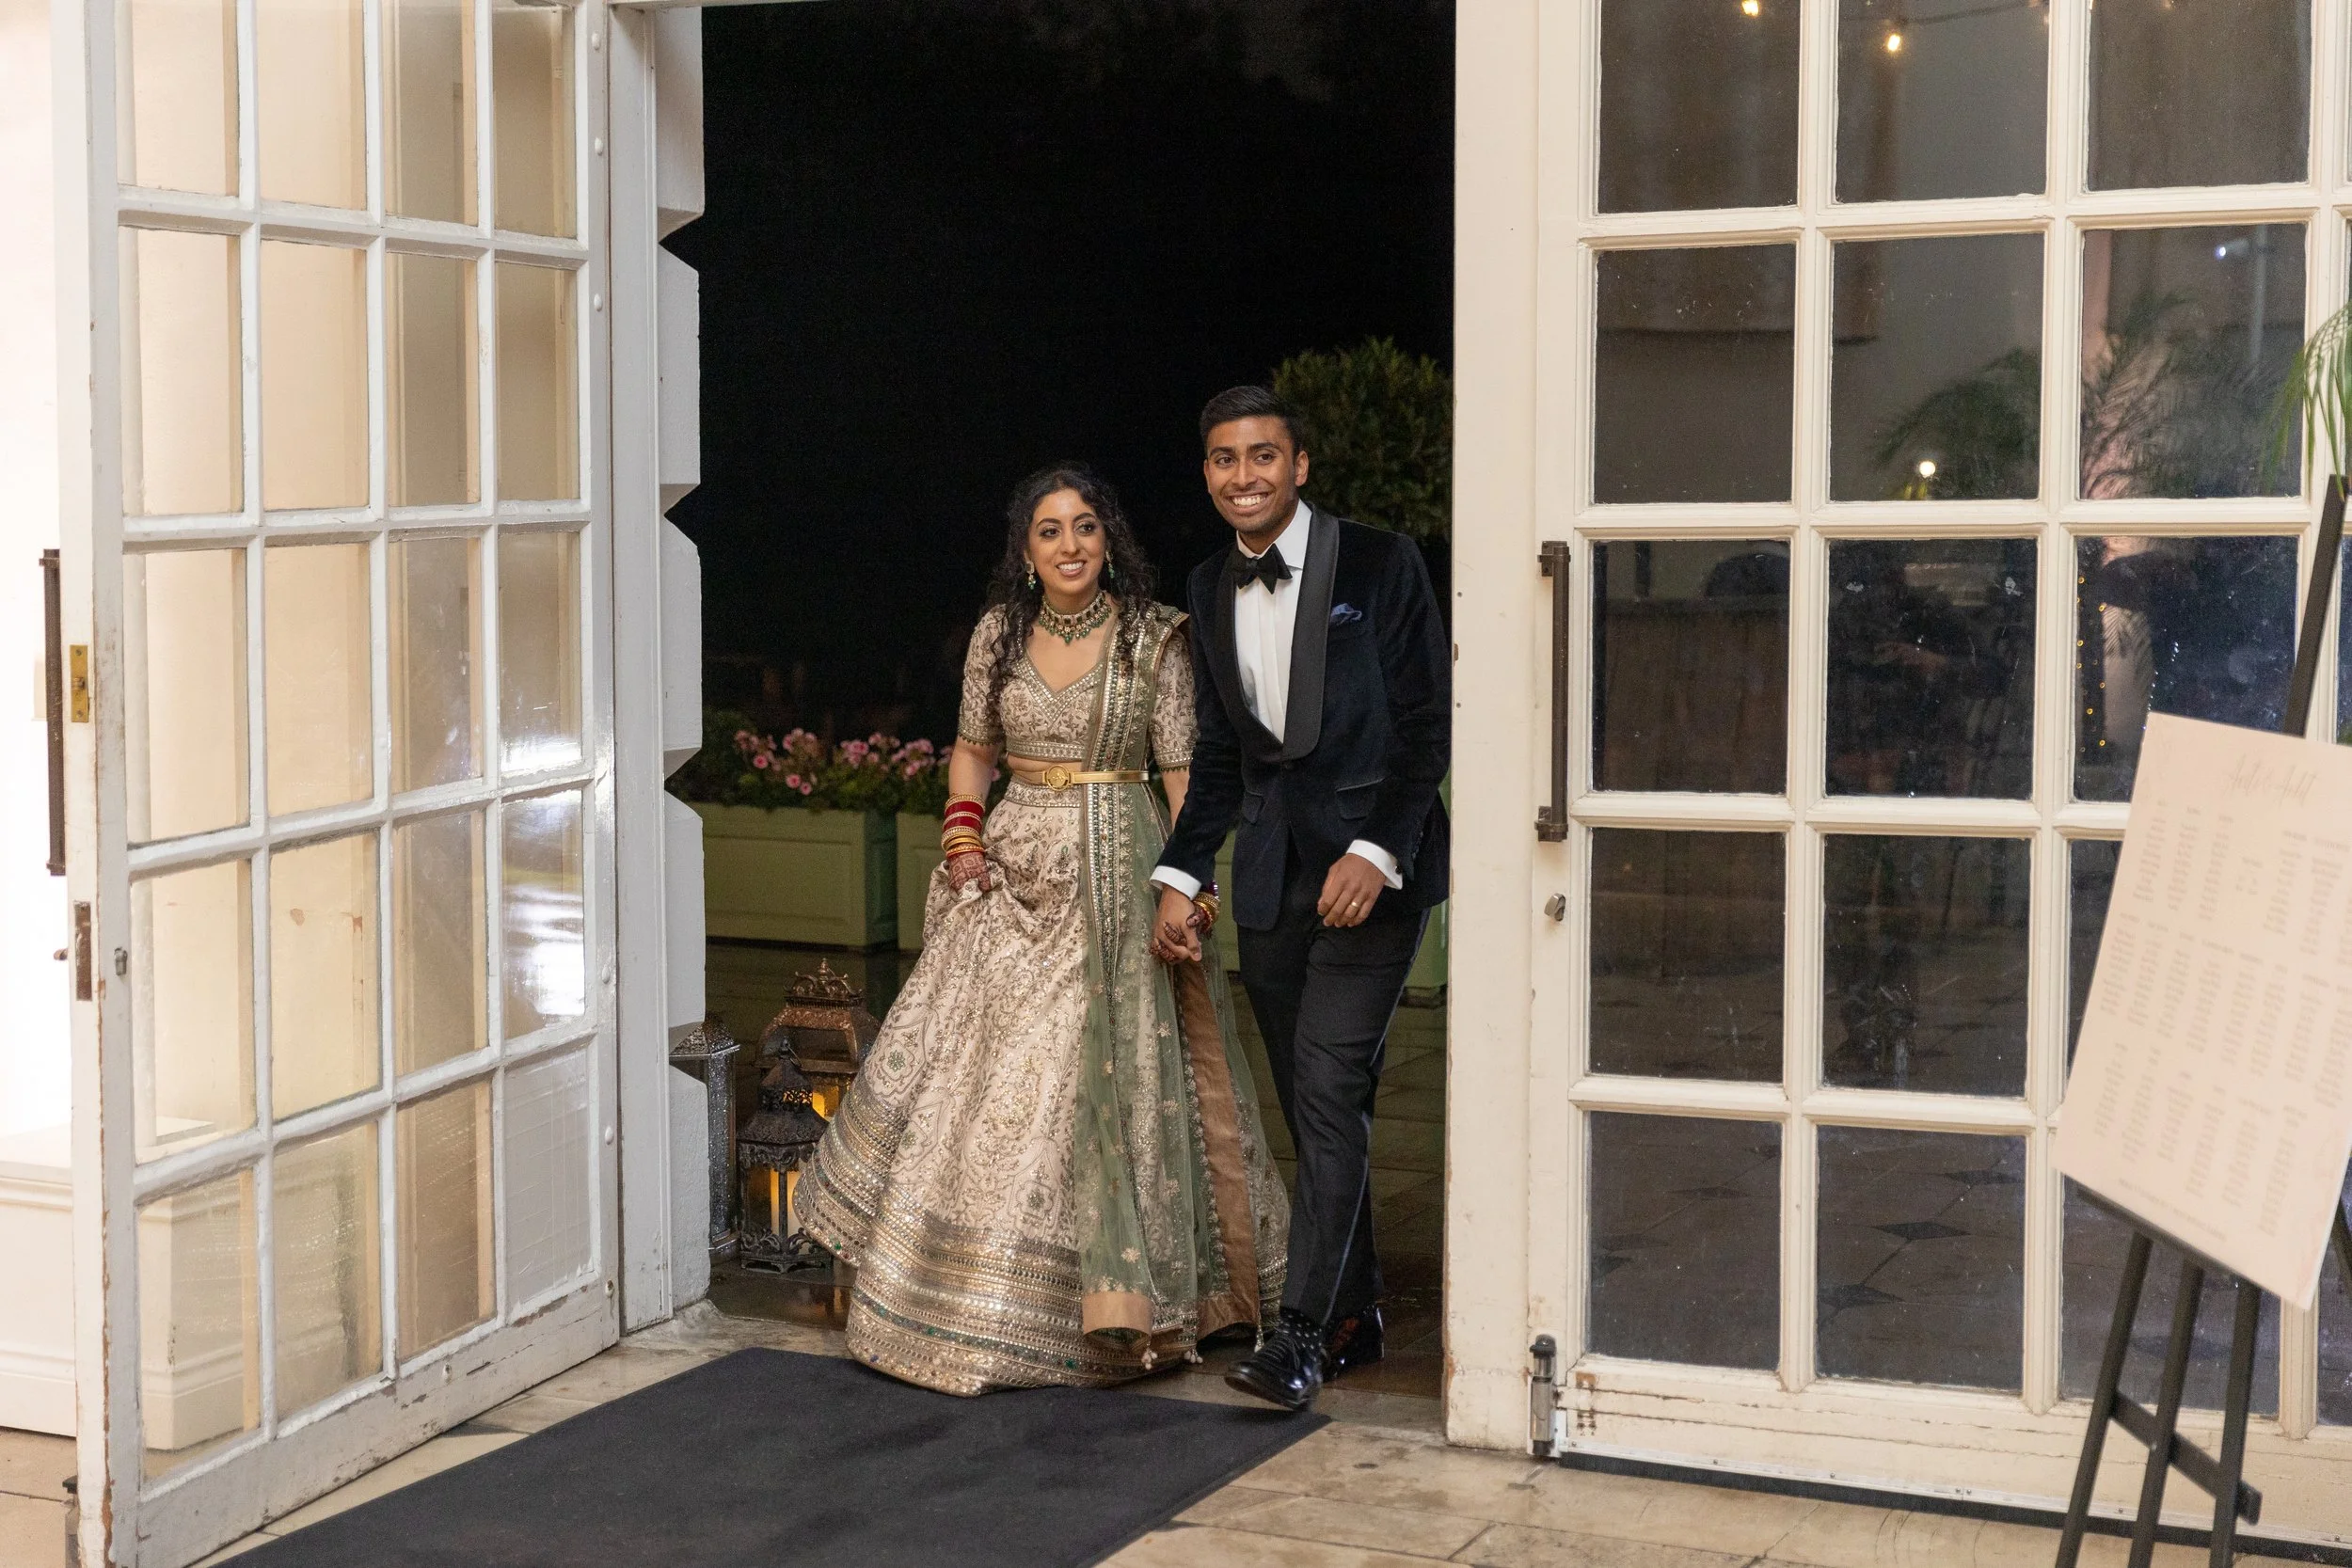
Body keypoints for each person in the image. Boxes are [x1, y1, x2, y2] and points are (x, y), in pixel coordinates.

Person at [794, 464, 1290, 1396]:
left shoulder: (1155, 638)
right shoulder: (998, 634)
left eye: (1086, 527)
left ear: (1111, 541)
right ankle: (964, 1300)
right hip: (1012, 877)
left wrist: (1191, 885)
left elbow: (1181, 767)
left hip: (1119, 875)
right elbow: (975, 747)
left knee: (1090, 1077)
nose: (1070, 546)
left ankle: (1109, 1309)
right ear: (1025, 552)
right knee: (991, 1078)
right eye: (1050, 531)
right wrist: (962, 837)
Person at [1149, 387, 1450, 1412]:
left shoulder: (1380, 561)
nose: (1245, 476)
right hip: (1275, 881)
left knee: (1327, 1089)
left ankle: (1304, 1335)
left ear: (1301, 465)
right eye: (1225, 459)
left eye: (1263, 456)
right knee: (1310, 1103)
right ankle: (1357, 1307)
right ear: (1207, 474)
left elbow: (1424, 725)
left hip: (1377, 874)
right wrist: (1183, 874)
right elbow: (1221, 754)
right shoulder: (1203, 583)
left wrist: (1377, 849)